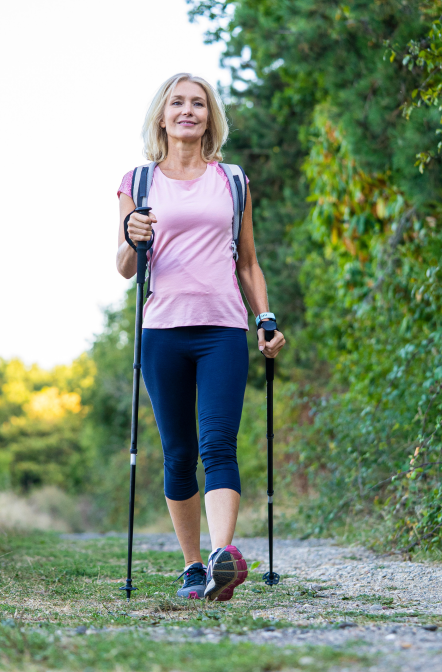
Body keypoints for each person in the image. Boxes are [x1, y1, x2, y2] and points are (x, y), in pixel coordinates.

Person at [116, 73, 286, 601]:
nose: (188, 110)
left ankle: (220, 558)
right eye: (178, 103)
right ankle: (193, 564)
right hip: (163, 331)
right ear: (162, 116)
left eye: (199, 103)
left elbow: (250, 262)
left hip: (222, 329)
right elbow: (125, 268)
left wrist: (266, 320)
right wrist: (131, 236)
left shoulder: (232, 180)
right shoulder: (138, 182)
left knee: (218, 444)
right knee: (178, 452)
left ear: (210, 117)